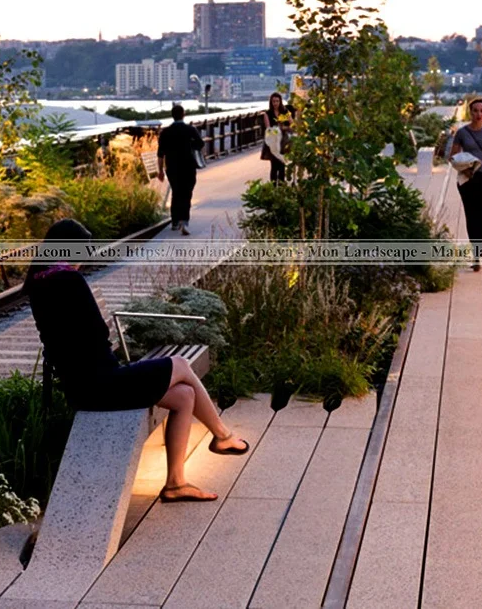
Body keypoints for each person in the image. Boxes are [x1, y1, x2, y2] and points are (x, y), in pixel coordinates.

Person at [25, 219, 249, 503]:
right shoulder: (70, 281)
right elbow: (99, 332)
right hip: (101, 384)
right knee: (179, 363)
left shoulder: (40, 283)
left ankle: (176, 483)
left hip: (84, 385)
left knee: (183, 395)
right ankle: (222, 434)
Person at [449, 98, 482, 271]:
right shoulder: (462, 133)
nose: (478, 114)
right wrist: (465, 169)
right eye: (475, 110)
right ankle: (475, 253)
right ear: (470, 112)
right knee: (471, 216)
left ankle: (478, 254)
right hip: (467, 178)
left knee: (481, 216)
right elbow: (452, 157)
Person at [156, 105, 204, 236]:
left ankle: (175, 221)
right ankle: (185, 221)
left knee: (176, 192)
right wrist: (190, 146)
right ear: (184, 114)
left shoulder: (165, 132)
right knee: (186, 193)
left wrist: (160, 171)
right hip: (188, 165)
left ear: (172, 115)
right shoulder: (190, 130)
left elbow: (160, 154)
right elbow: (201, 144)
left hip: (172, 166)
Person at [260, 92, 295, 184]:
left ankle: (281, 186)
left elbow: (292, 124)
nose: (275, 103)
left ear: (280, 102)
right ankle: (273, 186)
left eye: (277, 101)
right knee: (274, 165)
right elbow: (268, 128)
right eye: (273, 101)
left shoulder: (285, 112)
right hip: (272, 142)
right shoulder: (267, 114)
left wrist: (285, 127)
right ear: (271, 102)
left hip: (283, 142)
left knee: (282, 165)